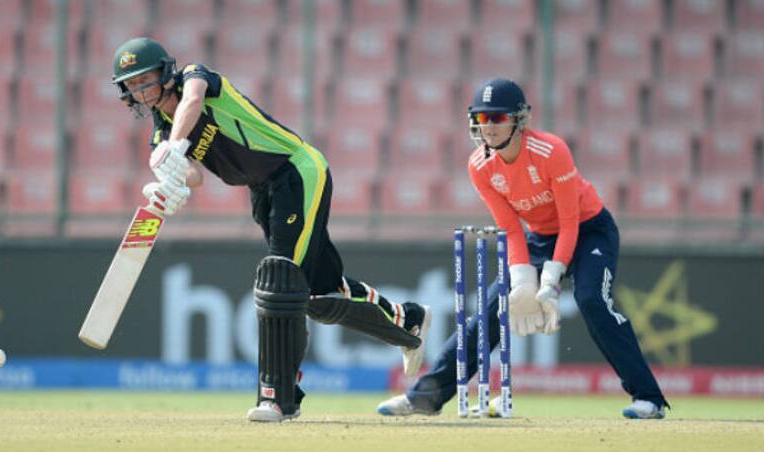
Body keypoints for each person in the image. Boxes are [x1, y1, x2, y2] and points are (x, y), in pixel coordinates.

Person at [110, 37, 431, 422]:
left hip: (295, 169)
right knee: (318, 291)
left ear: (164, 72)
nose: (141, 90)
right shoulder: (161, 132)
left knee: (281, 280)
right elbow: (193, 175)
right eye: (132, 85)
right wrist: (171, 180)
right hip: (262, 190)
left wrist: (173, 148)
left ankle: (279, 397)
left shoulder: (195, 78)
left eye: (145, 79)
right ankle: (407, 320)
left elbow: (192, 102)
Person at [377, 78, 669, 419]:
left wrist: (551, 281)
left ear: (518, 119)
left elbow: (570, 221)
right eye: (481, 118)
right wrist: (522, 280)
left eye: (497, 118)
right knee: (490, 311)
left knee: (592, 300)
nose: (488, 127)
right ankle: (424, 398)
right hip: (540, 238)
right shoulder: (480, 166)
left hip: (590, 230)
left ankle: (648, 398)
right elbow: (511, 227)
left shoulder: (551, 151)